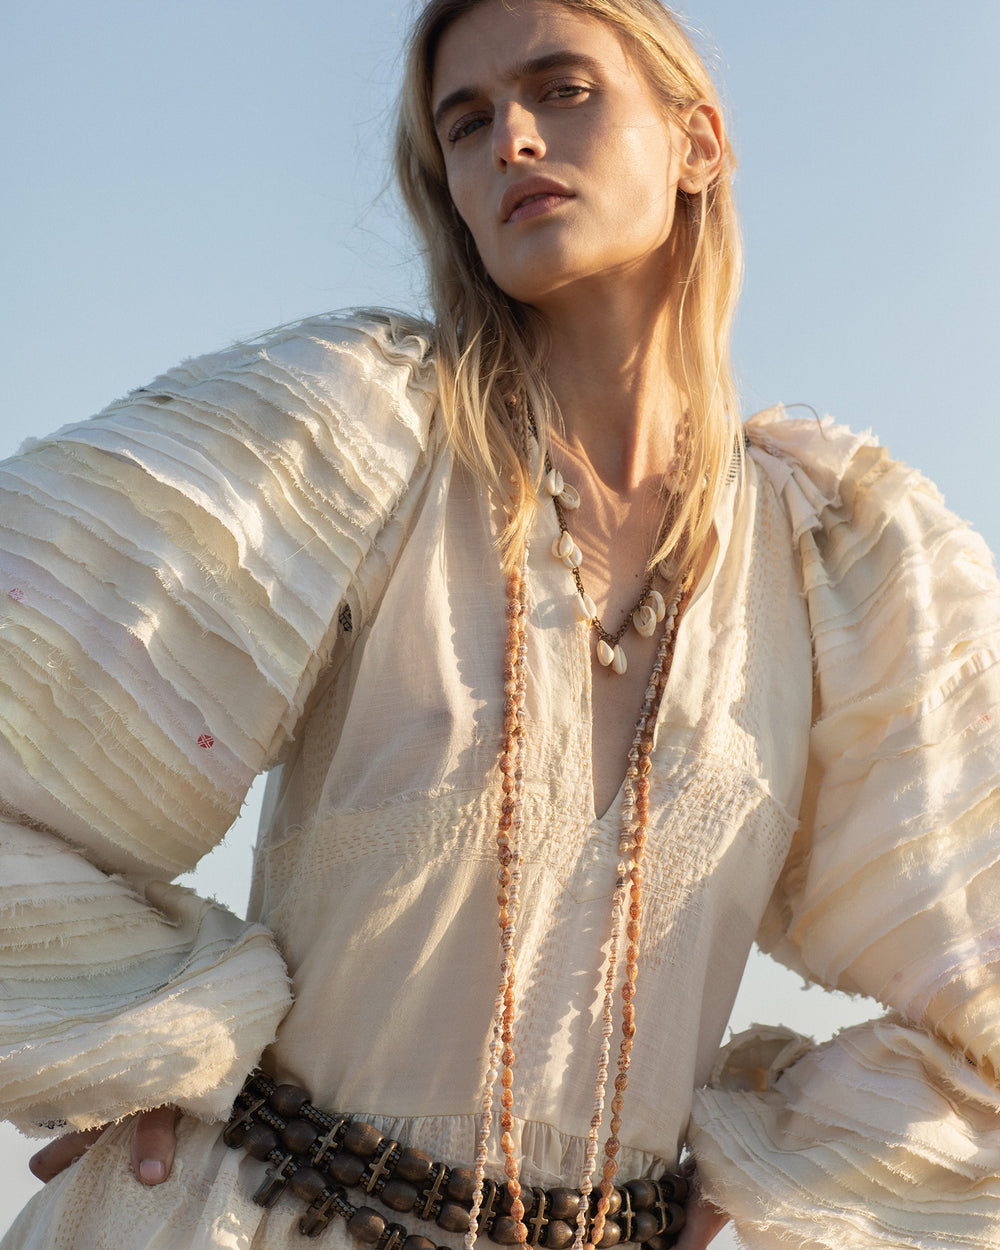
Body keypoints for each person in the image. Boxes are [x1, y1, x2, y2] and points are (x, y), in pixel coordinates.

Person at [3, 2, 1000, 1248]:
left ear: (698, 142)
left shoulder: (844, 564)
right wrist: (134, 1032)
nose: (511, 140)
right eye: (464, 123)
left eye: (561, 87)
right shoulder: (359, 429)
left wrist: (777, 1168)